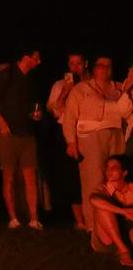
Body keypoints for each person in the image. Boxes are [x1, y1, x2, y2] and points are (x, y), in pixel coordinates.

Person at [63, 56, 131, 248]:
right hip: (91, 136)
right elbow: (70, 117)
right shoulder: (82, 89)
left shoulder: (119, 88)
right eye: (101, 65)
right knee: (93, 179)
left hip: (115, 134)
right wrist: (71, 142)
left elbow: (126, 112)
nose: (104, 69)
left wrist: (127, 89)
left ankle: (117, 224)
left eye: (108, 65)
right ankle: (93, 227)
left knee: (116, 179)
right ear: (94, 68)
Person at [0, 47, 44, 229]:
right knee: (8, 175)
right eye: (36, 58)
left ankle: (34, 218)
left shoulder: (31, 79)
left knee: (30, 175)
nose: (39, 62)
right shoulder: (7, 74)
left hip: (27, 133)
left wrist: (36, 115)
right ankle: (13, 218)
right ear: (26, 57)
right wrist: (1, 122)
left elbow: (30, 105)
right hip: (7, 134)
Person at [46, 53, 91, 229]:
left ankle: (93, 216)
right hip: (66, 131)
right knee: (71, 176)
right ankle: (79, 220)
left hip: (87, 130)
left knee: (90, 173)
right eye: (72, 64)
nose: (75, 67)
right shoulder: (59, 85)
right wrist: (65, 91)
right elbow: (55, 111)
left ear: (85, 64)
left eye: (78, 63)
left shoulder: (91, 83)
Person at [87, 154, 133, 267]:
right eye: (107, 167)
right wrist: (123, 211)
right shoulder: (104, 189)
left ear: (124, 172)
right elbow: (93, 199)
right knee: (102, 208)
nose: (109, 171)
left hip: (127, 233)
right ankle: (123, 251)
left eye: (114, 168)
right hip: (107, 240)